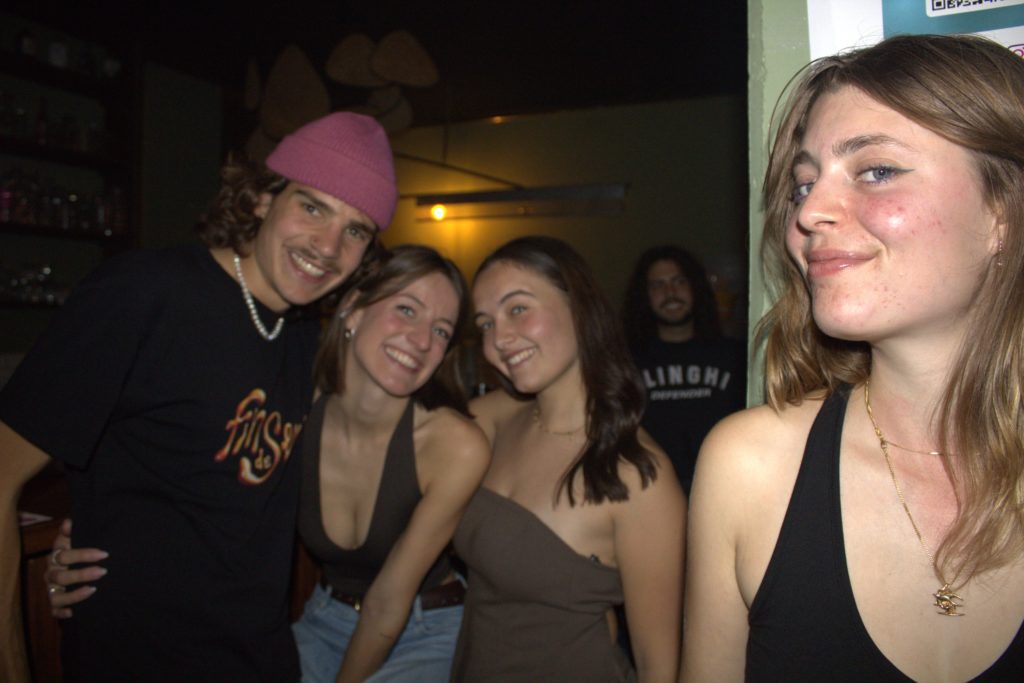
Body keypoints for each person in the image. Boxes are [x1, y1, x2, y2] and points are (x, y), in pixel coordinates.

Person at [0, 111, 397, 682]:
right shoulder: (143, 293)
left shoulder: (306, 338)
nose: (328, 245)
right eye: (313, 207)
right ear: (261, 199)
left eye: (356, 230)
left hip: (260, 662)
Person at [682, 33, 1024, 681]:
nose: (810, 212)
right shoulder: (750, 468)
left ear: (1002, 210)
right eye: (802, 184)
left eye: (877, 171)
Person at [454, 235, 685, 681]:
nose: (499, 339)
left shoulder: (637, 475)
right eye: (485, 324)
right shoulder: (492, 421)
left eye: (517, 309)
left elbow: (658, 664)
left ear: (579, 306)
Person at [290, 245, 489, 682]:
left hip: (428, 630)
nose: (422, 341)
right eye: (406, 310)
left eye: (441, 331)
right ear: (354, 309)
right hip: (322, 617)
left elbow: (387, 601)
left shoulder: (454, 446)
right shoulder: (295, 410)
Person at [621, 245, 746, 493]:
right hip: (649, 491)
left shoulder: (735, 357)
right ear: (644, 296)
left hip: (724, 487)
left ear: (696, 288)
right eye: (657, 285)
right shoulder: (625, 363)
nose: (670, 292)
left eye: (679, 282)